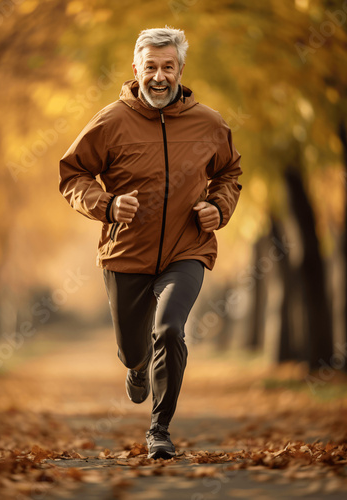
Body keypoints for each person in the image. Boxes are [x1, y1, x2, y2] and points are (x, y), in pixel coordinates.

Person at [59, 27, 242, 459]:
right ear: (136, 69)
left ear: (180, 70)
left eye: (168, 67)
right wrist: (106, 205)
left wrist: (219, 207)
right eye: (151, 67)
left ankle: (159, 428)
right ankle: (137, 367)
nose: (159, 77)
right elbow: (72, 175)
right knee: (131, 349)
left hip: (187, 249)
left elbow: (229, 174)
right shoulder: (109, 122)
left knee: (170, 328)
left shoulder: (210, 123)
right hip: (126, 254)